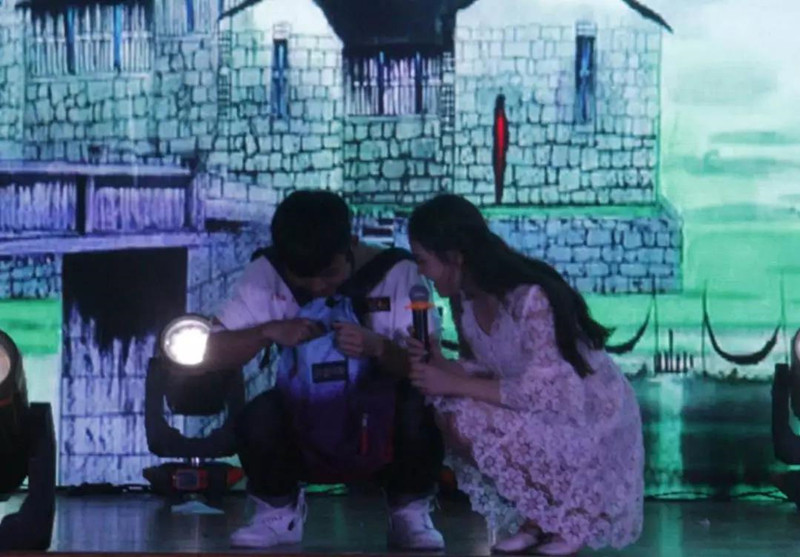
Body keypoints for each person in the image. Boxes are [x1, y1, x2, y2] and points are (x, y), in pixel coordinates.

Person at [204, 190, 445, 550]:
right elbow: (210, 352)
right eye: (304, 278)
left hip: (379, 428)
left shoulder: (397, 272)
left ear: (351, 244)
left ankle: (409, 511)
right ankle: (277, 513)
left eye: (329, 274)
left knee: (423, 406)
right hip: (304, 424)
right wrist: (267, 331)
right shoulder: (266, 274)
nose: (318, 287)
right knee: (258, 415)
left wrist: (378, 348)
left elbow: (429, 367)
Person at [405, 194, 644, 555]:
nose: (422, 272)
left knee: (462, 413)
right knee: (451, 411)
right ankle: (541, 518)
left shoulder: (529, 297)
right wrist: (438, 361)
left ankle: (574, 517)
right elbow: (487, 369)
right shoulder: (464, 299)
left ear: (454, 257)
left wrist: (453, 382)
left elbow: (548, 391)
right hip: (533, 402)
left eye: (424, 261)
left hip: (588, 412)